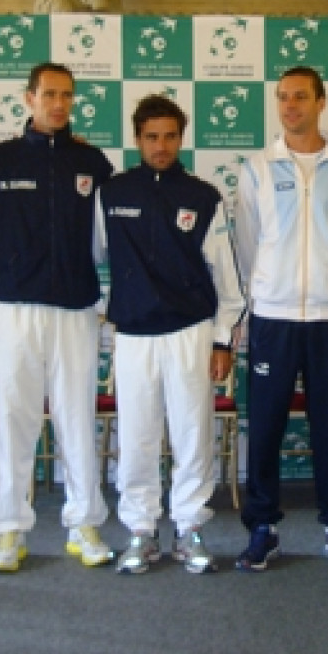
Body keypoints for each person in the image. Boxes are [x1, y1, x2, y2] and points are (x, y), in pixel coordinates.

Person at [233, 66, 328, 572]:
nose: (290, 106)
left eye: (300, 97)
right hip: (274, 317)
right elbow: (248, 244)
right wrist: (267, 292)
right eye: (282, 98)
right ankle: (263, 529)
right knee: (266, 428)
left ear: (321, 102)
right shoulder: (256, 169)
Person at [94, 95, 245, 575]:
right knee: (137, 436)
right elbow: (94, 253)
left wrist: (222, 340)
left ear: (181, 138)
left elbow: (226, 277)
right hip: (135, 334)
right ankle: (141, 531)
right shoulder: (112, 194)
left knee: (192, 434)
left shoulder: (203, 197)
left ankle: (189, 529)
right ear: (138, 139)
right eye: (152, 137)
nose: (161, 146)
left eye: (170, 137)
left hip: (190, 333)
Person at [0, 62, 115, 572]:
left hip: (76, 308)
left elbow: (103, 239)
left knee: (76, 416)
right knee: (13, 419)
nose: (59, 104)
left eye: (67, 95)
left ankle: (84, 524)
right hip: (15, 308)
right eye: (50, 94)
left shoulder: (91, 162)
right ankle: (10, 530)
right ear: (29, 98)